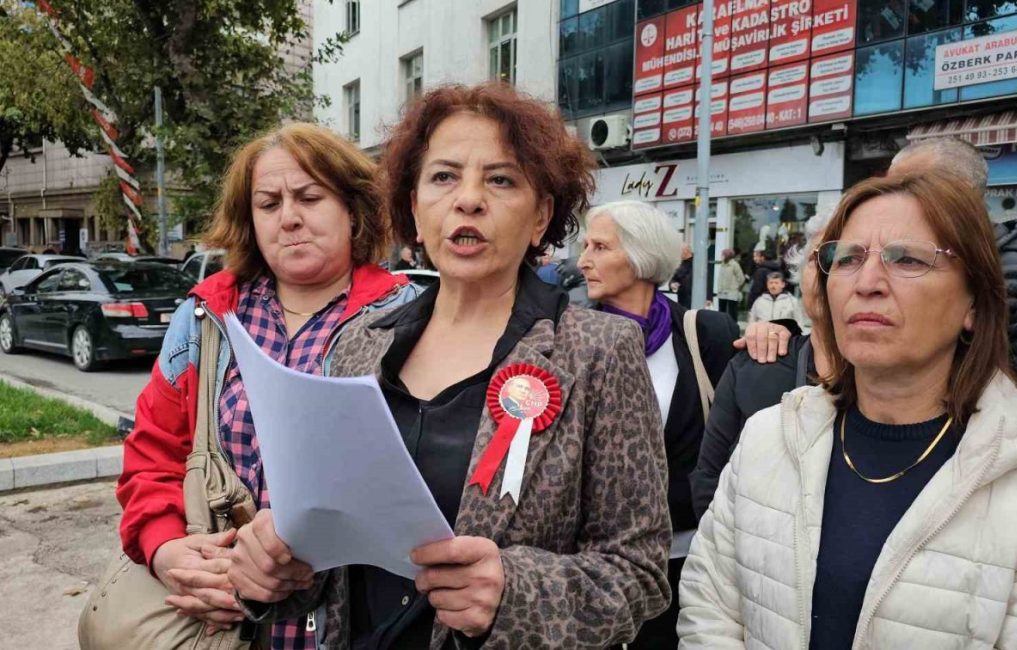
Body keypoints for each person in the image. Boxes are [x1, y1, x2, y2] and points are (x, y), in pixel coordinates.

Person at [225, 83, 672, 649]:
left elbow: (641, 573)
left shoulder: (599, 351)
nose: (468, 199)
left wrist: (514, 593)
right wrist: (275, 565)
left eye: (501, 179)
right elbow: (327, 558)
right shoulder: (360, 344)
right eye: (443, 177)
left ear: (541, 218)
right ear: (414, 209)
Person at [679, 171, 1017, 648]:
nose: (868, 282)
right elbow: (709, 612)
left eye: (908, 258)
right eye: (848, 258)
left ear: (975, 304)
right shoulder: (769, 438)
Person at [115, 122, 417, 650]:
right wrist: (166, 550)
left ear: (353, 209)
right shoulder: (205, 320)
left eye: (309, 197)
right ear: (249, 219)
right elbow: (152, 455)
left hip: (352, 621)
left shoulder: (407, 317)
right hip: (219, 619)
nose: (290, 217)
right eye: (269, 203)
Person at [577, 199, 738, 648]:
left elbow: (741, 431)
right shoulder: (574, 340)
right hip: (599, 567)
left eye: (600, 246)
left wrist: (776, 330)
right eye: (585, 245)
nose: (583, 260)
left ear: (640, 255)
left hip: (687, 561)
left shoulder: (705, 333)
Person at [892, 136, 1017, 398]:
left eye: (908, 188)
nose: (889, 201)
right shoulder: (886, 266)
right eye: (890, 189)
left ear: (962, 193)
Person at [691, 212, 831, 518]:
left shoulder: (898, 383)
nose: (827, 271)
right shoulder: (753, 364)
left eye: (843, 259)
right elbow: (708, 478)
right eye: (818, 257)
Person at [715, 247, 745, 319]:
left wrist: (735, 287)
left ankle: (732, 327)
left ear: (727, 255)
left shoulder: (734, 265)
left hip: (732, 293)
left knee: (732, 312)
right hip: (722, 292)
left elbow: (741, 278)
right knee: (721, 311)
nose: (721, 256)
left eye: (723, 255)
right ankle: (722, 326)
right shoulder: (722, 264)